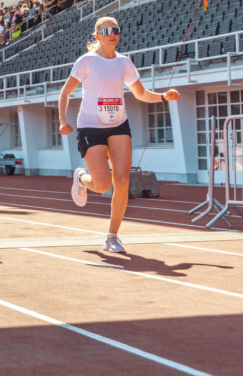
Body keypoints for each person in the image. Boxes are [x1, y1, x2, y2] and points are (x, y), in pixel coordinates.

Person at [58, 16, 180, 253]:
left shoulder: (125, 63)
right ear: (97, 36)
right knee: (103, 184)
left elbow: (141, 93)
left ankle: (112, 236)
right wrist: (63, 120)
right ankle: (81, 178)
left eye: (116, 30)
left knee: (122, 182)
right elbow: (66, 91)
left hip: (118, 125)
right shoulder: (87, 61)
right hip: (91, 126)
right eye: (107, 30)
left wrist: (164, 96)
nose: (112, 33)